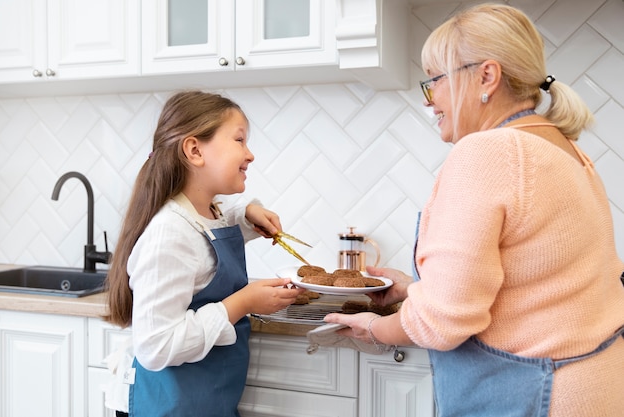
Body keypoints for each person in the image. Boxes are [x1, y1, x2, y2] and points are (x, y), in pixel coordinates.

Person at [325, 4, 624, 416]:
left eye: (435, 81)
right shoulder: (564, 149)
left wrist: (377, 328)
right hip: (589, 385)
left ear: (487, 76)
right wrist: (417, 288)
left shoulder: (488, 151)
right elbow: (533, 286)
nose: (431, 101)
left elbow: (443, 322)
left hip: (531, 395)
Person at [103, 90, 305, 417]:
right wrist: (243, 303)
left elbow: (213, 234)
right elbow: (156, 347)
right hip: (164, 406)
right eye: (239, 140)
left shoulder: (205, 213)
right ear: (195, 150)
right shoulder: (169, 233)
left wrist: (249, 212)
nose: (250, 154)